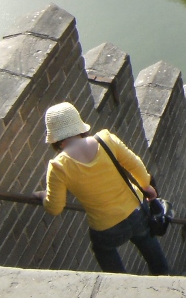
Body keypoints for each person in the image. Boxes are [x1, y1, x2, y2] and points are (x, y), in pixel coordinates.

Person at [36, 102, 169, 275]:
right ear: (79, 126)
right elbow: (135, 165)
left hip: (106, 227)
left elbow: (55, 208)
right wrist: (146, 186)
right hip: (135, 212)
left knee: (103, 250)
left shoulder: (58, 166)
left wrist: (42, 196)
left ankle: (119, 285)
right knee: (146, 239)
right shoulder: (105, 139)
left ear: (55, 139)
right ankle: (164, 276)